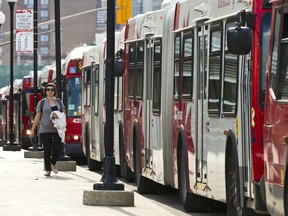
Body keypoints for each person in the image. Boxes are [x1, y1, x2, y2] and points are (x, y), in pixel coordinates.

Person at [30, 83, 66, 177]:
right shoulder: (42, 103)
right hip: (45, 128)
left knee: (57, 148)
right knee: (47, 149)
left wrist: (57, 115)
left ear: (54, 92)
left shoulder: (59, 102)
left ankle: (53, 163)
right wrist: (33, 129)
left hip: (57, 129)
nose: (50, 91)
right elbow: (37, 116)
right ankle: (48, 169)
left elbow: (63, 114)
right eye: (48, 90)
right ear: (45, 92)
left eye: (52, 90)